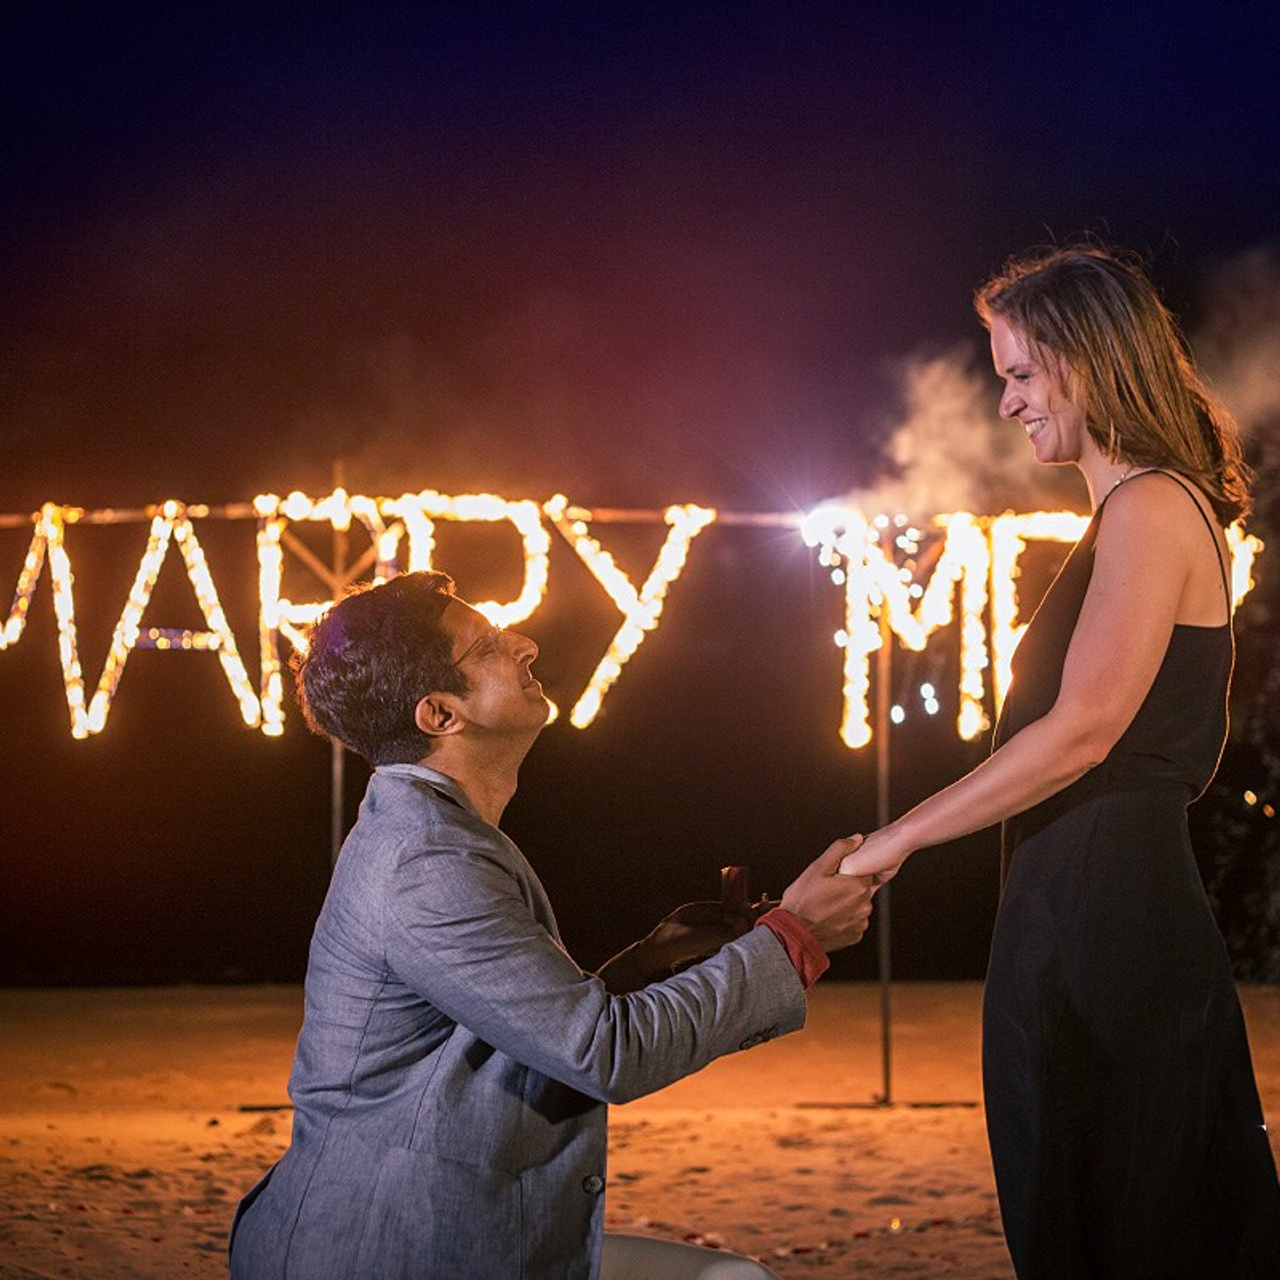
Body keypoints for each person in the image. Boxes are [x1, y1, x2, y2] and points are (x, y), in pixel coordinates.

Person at [228, 569, 876, 1280]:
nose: (526, 645)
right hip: (386, 1246)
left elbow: (523, 1027)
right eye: (487, 648)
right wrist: (792, 941)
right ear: (440, 715)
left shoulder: (433, 831)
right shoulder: (428, 859)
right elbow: (605, 1054)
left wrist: (652, 963)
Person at [838, 244, 1280, 1278]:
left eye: (1020, 374)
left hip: (1109, 913)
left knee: (1131, 1218)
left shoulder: (1148, 508)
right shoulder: (1137, 511)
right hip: (1082, 901)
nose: (1005, 404)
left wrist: (891, 840)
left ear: (1087, 362)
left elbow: (1082, 729)